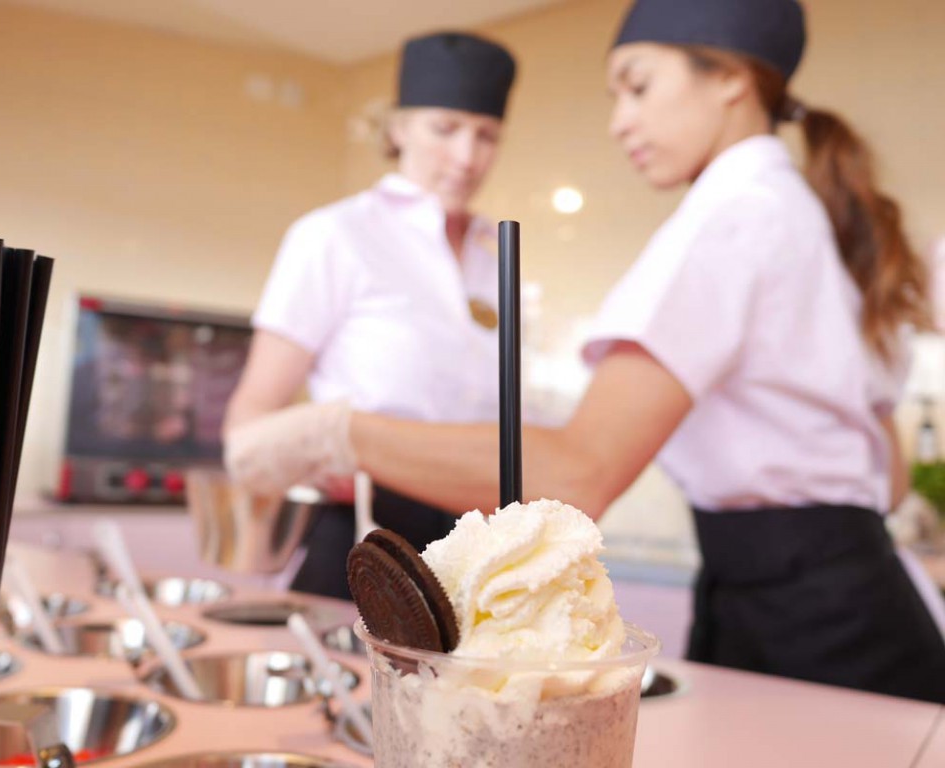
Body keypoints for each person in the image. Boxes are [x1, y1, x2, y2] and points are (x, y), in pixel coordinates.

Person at [225, 0, 945, 703]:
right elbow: (882, 476)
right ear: (398, 129)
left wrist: (340, 429)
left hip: (806, 610)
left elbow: (580, 472)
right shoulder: (787, 208)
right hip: (807, 581)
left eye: (638, 85)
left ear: (731, 77)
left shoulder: (734, 218)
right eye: (446, 129)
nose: (618, 121)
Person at [223, 32, 517, 600]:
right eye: (445, 128)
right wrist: (318, 463)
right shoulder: (336, 235)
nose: (467, 156)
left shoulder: (497, 253)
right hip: (366, 533)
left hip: (479, 544)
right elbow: (251, 418)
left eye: (487, 136)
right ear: (398, 127)